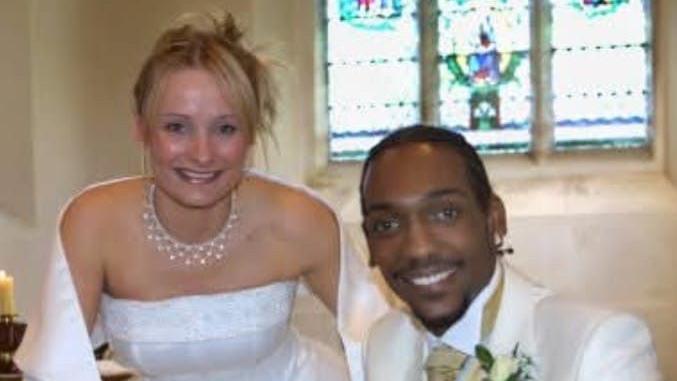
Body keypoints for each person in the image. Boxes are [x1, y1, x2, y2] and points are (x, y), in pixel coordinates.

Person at [15, 12, 388, 381]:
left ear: (251, 132)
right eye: (177, 127)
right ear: (142, 128)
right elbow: (55, 368)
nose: (202, 154)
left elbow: (384, 342)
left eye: (225, 128)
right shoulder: (94, 223)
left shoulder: (299, 217)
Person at [360, 125, 662, 381]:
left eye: (446, 213)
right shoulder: (384, 342)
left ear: (494, 219)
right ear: (370, 244)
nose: (418, 248)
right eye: (386, 224)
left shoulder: (597, 346)